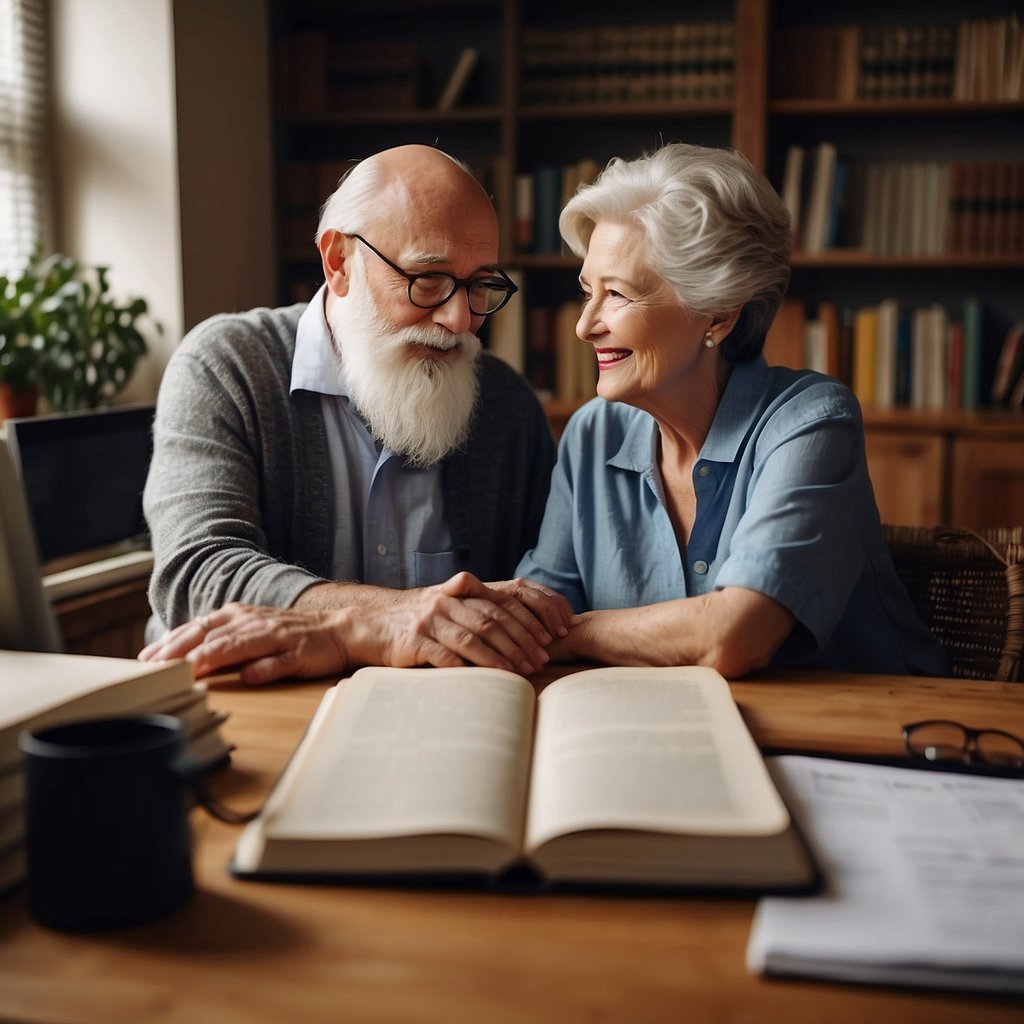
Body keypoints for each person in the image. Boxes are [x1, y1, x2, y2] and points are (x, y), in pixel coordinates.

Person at [514, 142, 949, 678]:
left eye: (619, 295)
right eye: (587, 293)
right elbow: (533, 611)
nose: (585, 326)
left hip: (869, 739)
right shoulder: (591, 435)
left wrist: (576, 631)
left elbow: (733, 637)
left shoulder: (812, 422)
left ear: (717, 316)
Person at [140, 144, 569, 682]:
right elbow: (195, 576)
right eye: (427, 279)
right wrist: (372, 621)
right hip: (250, 708)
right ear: (339, 261)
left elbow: (543, 596)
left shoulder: (507, 406)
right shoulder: (228, 366)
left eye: (481, 284)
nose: (459, 319)